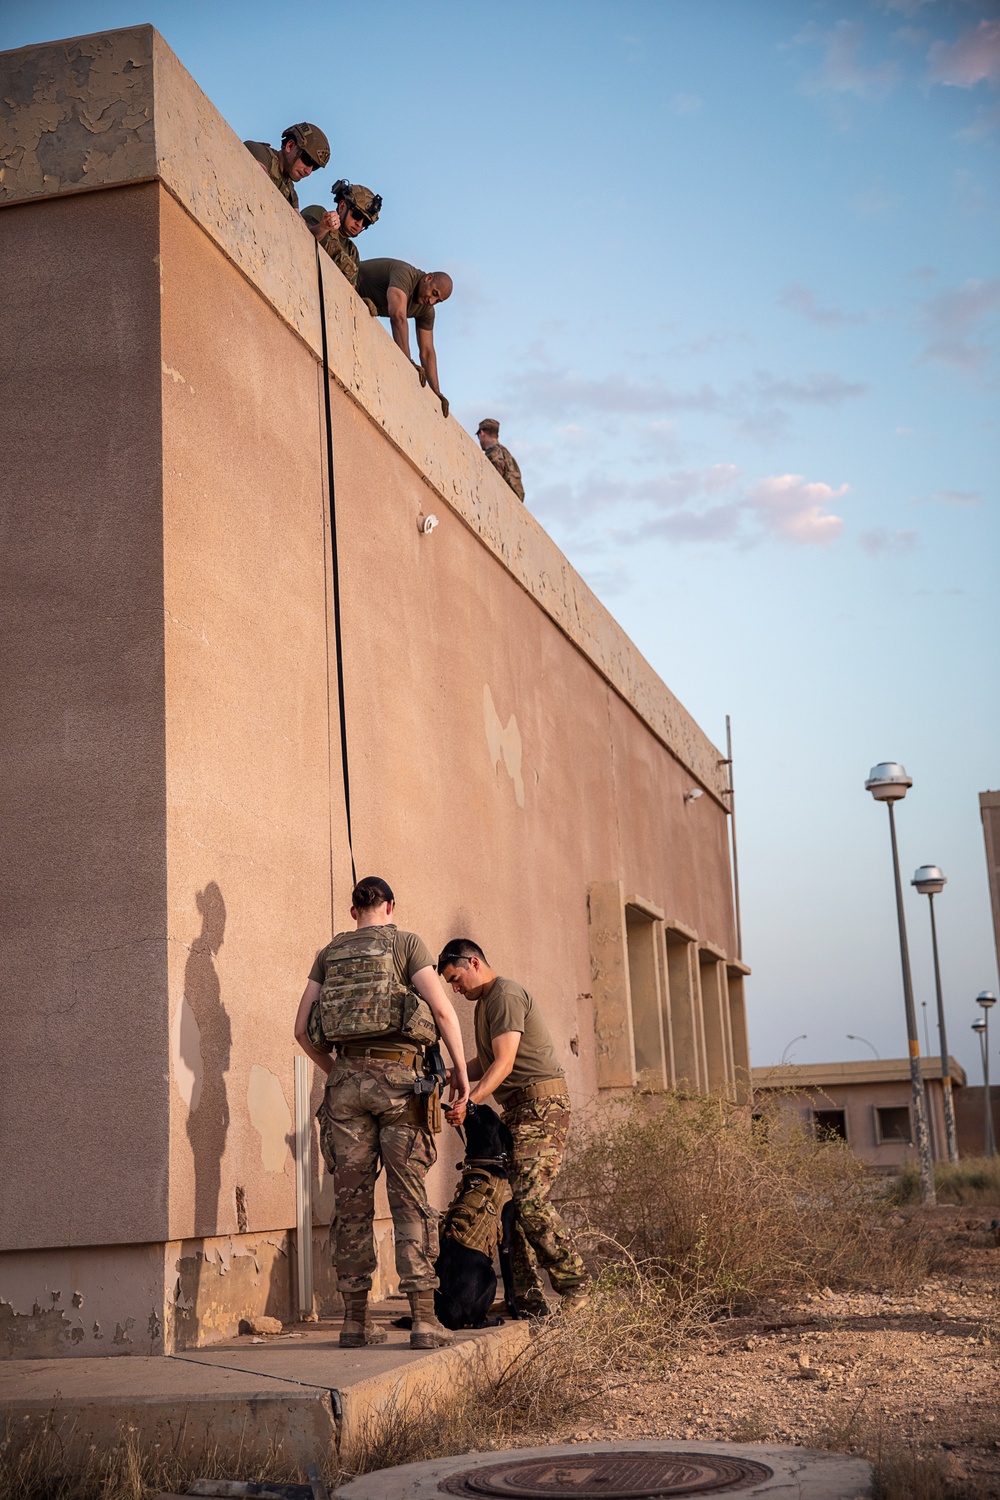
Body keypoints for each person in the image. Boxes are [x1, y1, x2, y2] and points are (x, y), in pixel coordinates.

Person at [294, 877, 470, 1350]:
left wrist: (339, 1071)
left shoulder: (329, 952)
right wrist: (461, 1073)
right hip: (400, 1083)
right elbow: (443, 1011)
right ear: (390, 906)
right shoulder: (407, 943)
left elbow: (301, 1030)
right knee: (408, 1198)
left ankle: (354, 1322)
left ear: (354, 911)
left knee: (351, 1203)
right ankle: (423, 1321)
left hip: (345, 1086)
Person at [438, 939, 587, 1318]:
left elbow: (503, 1063)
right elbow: (484, 1061)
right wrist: (448, 1074)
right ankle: (526, 1298)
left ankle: (577, 1288)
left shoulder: (505, 993)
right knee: (510, 1205)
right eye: (451, 985)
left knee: (530, 1200)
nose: (456, 989)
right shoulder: (485, 1004)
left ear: (474, 962)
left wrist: (469, 1101)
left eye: (456, 979)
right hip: (519, 1110)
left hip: (542, 1107)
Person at [356, 258, 453, 416]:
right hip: (345, 279)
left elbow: (427, 351)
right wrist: (407, 363)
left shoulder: (426, 310)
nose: (431, 301)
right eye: (434, 293)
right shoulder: (405, 274)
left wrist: (436, 393)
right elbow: (398, 316)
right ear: (428, 278)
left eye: (438, 301)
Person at [302, 180, 382, 288]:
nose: (359, 224)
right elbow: (301, 237)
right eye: (357, 215)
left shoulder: (352, 252)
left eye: (365, 222)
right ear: (342, 206)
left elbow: (349, 290)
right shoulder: (318, 213)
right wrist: (323, 227)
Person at [243, 123, 330, 211]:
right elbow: (258, 184)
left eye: (315, 167)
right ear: (290, 146)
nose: (308, 171)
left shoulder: (291, 196)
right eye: (307, 160)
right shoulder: (259, 153)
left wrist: (321, 225)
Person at [476, 419, 524, 502]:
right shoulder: (505, 453)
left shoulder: (494, 452)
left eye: (478, 435)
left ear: (482, 433)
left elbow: (495, 477)